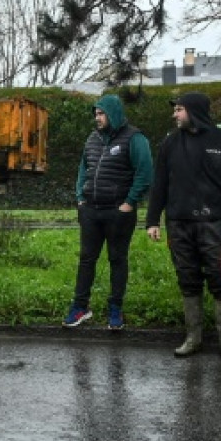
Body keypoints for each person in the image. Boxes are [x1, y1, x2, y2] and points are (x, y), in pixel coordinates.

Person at [145, 92, 221, 360]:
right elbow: (160, 184)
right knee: (188, 280)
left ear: (194, 111)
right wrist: (152, 220)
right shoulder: (170, 143)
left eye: (179, 109)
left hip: (216, 226)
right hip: (179, 224)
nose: (174, 114)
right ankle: (193, 338)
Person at [65, 94, 153, 330]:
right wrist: (81, 198)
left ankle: (115, 309)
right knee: (86, 260)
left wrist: (129, 203)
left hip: (118, 212)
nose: (97, 118)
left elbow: (145, 173)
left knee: (117, 259)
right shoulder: (93, 138)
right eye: (96, 114)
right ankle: (80, 307)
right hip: (91, 210)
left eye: (101, 113)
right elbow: (83, 169)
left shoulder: (135, 139)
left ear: (113, 114)